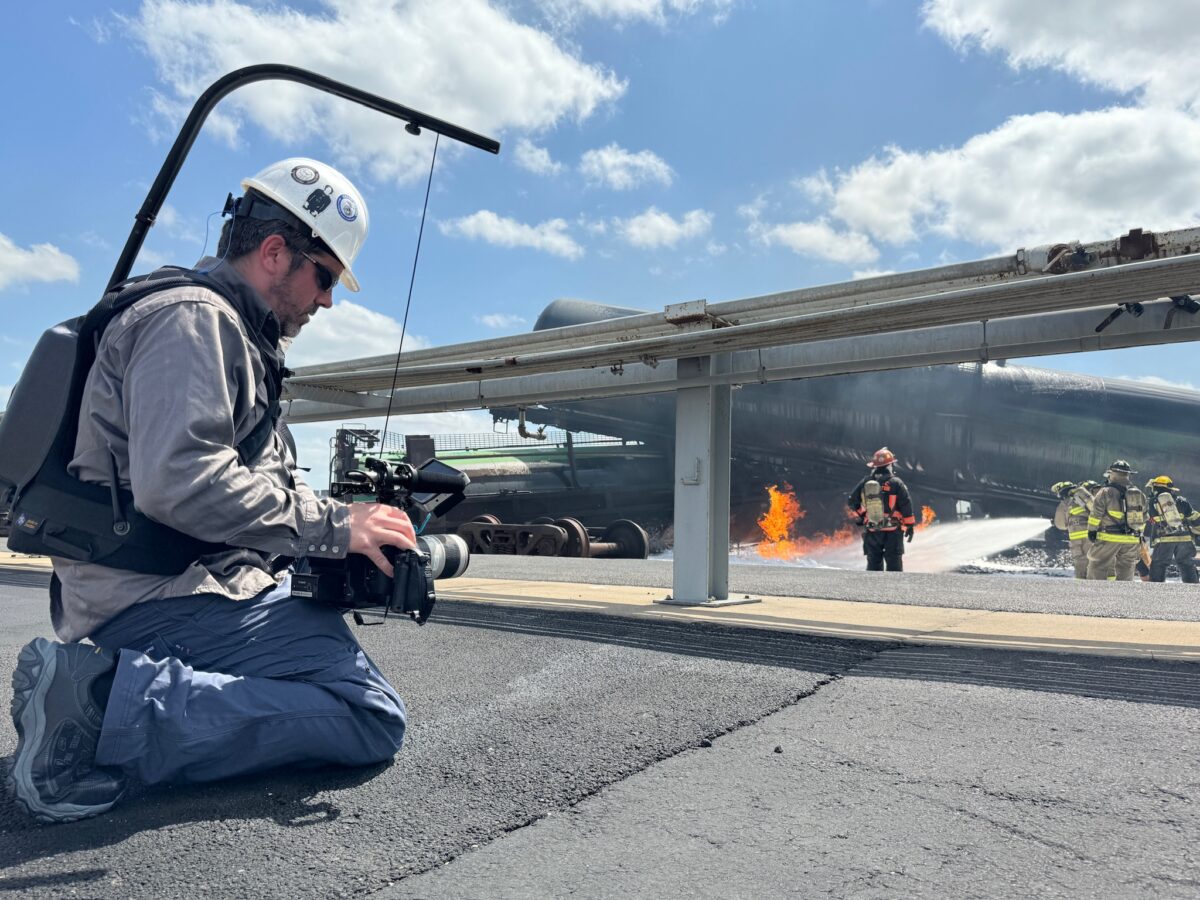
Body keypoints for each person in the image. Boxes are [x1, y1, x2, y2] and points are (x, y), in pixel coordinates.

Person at [8, 158, 417, 824]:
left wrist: (337, 533)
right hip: (156, 592)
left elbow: (255, 479)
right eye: (324, 276)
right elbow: (182, 482)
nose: (327, 301)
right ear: (275, 252)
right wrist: (337, 527)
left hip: (184, 581)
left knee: (330, 667)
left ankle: (120, 689)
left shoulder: (237, 336)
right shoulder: (193, 321)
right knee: (368, 715)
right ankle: (100, 702)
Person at [847, 447, 916, 572]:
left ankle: (873, 585)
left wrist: (864, 515)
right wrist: (910, 526)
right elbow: (906, 505)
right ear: (890, 465)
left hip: (872, 529)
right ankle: (893, 586)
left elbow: (852, 501)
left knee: (874, 566)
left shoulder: (866, 481)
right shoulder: (896, 483)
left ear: (874, 466)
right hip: (893, 531)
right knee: (894, 567)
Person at [1086, 460, 1147, 582]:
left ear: (1112, 474)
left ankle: (1094, 592)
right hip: (1131, 538)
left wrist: (1091, 531)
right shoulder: (1139, 494)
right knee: (1127, 567)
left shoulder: (1105, 492)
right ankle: (1123, 593)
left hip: (1109, 537)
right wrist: (1139, 535)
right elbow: (1144, 517)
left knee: (1098, 564)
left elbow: (1095, 514)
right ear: (1128, 475)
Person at [1142, 475, 1200, 583]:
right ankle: (1192, 588)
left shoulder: (1152, 502)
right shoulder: (1182, 501)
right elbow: (1195, 518)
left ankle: (1155, 590)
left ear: (1155, 488)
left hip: (1164, 539)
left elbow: (1146, 519)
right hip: (1184, 539)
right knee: (1187, 564)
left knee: (1159, 564)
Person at [1051, 480, 1094, 579]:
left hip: (1079, 541)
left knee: (1081, 564)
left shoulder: (1066, 503)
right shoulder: (1085, 497)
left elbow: (1060, 525)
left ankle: (1082, 586)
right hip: (1093, 536)